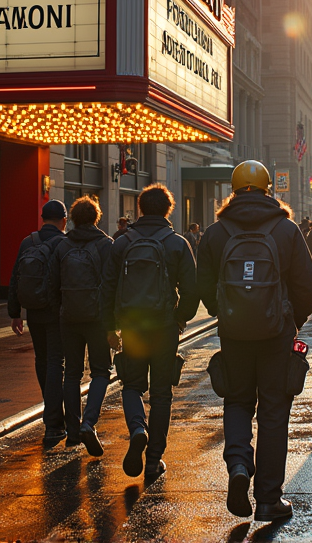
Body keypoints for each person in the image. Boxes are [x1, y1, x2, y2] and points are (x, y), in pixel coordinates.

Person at [196, 161, 312, 522]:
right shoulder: (287, 229)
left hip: (234, 334)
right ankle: (268, 500)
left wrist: (225, 312)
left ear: (233, 190)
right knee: (274, 412)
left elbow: (204, 284)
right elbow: (306, 283)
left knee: (236, 401)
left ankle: (238, 464)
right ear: (268, 189)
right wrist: (291, 321)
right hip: (277, 334)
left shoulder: (216, 232)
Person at [102, 184, 199, 480]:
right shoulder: (177, 243)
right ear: (168, 209)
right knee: (161, 393)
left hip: (133, 326)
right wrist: (180, 318)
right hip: (164, 326)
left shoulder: (122, 242)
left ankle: (137, 429)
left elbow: (107, 287)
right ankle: (154, 460)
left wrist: (110, 326)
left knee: (131, 384)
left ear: (140, 208)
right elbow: (192, 290)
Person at [51, 195, 115, 456]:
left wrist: (62, 309)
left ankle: (73, 431)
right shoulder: (106, 244)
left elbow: (53, 283)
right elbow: (111, 285)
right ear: (96, 217)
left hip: (69, 317)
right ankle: (89, 422)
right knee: (101, 371)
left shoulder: (62, 246)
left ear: (73, 219)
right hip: (97, 318)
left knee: (72, 373)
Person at [9, 198, 69, 446]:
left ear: (43, 219)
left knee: (42, 360)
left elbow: (16, 277)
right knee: (56, 362)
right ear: (63, 220)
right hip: (56, 312)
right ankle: (54, 422)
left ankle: (51, 409)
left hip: (33, 311)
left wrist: (15, 313)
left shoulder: (28, 242)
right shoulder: (65, 243)